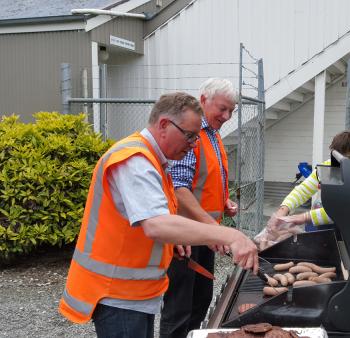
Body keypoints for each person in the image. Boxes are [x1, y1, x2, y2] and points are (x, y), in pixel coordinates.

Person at [58, 92, 258, 338]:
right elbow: (156, 225)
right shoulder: (135, 160)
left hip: (135, 294)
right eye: (190, 136)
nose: (194, 144)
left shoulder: (154, 161)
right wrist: (231, 236)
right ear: (164, 125)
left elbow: (151, 221)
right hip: (117, 296)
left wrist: (172, 240)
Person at [159, 78, 238, 338]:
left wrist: (223, 202)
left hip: (204, 233)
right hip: (186, 236)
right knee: (180, 308)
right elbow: (180, 188)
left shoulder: (213, 135)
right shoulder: (192, 136)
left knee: (200, 301)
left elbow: (204, 180)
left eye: (231, 111)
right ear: (204, 101)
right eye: (222, 108)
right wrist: (211, 227)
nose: (227, 116)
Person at [267, 131, 350, 230]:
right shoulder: (329, 166)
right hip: (321, 222)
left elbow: (346, 209)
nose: (337, 162)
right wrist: (283, 210)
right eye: (335, 156)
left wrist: (305, 216)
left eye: (343, 158)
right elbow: (304, 189)